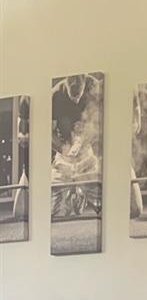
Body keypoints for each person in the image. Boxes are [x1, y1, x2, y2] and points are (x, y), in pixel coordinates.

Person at [51, 74, 102, 219]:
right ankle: (70, 192)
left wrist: (84, 140)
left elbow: (101, 124)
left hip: (86, 153)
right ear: (67, 83)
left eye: (78, 96)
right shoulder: (55, 95)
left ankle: (82, 192)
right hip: (64, 153)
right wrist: (64, 149)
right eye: (72, 97)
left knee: (102, 202)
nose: (76, 101)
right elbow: (48, 132)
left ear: (84, 81)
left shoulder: (96, 88)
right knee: (52, 210)